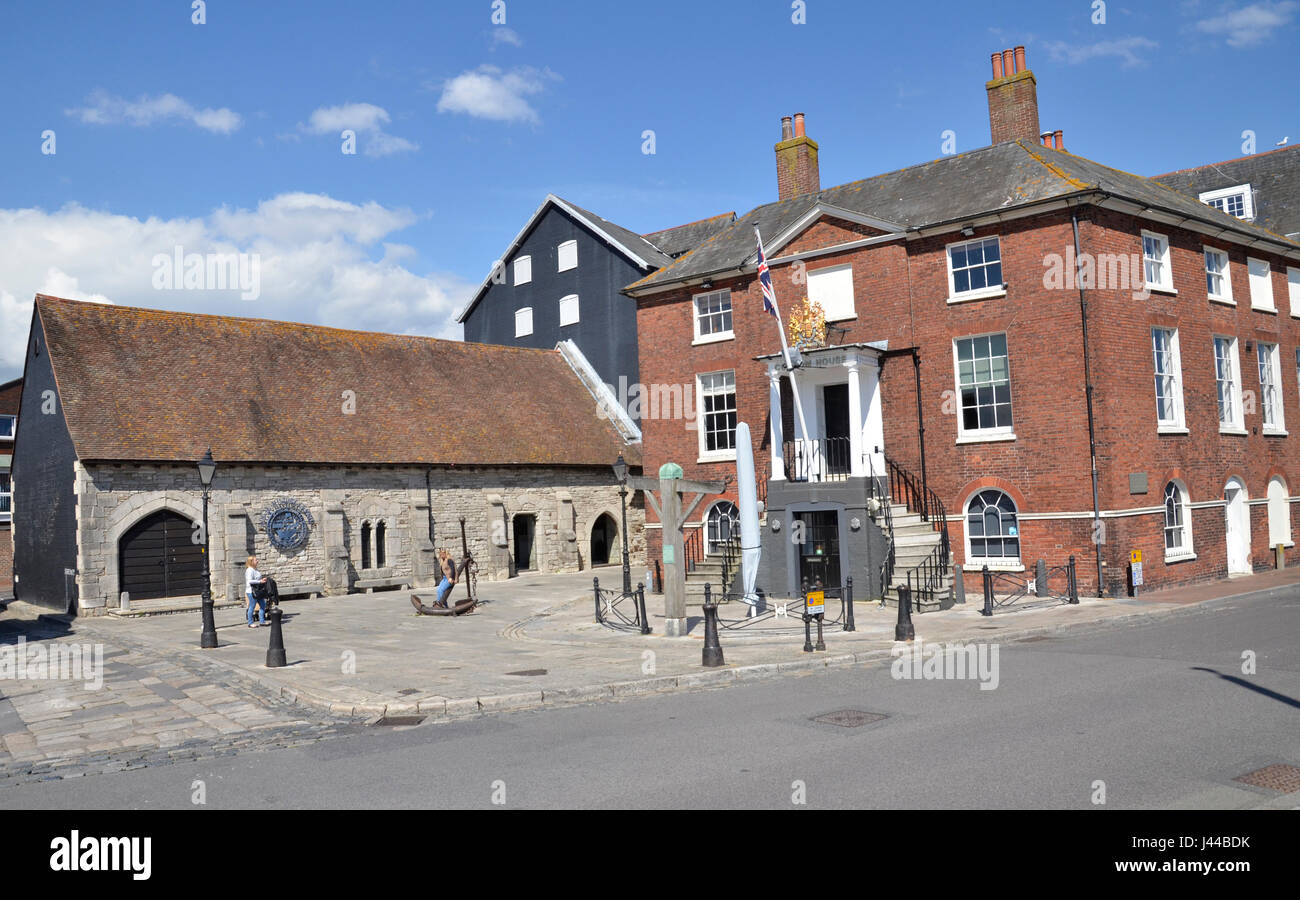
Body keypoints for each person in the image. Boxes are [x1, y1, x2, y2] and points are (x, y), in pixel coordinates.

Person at [245, 555, 269, 627]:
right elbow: (249, 581)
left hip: (258, 591)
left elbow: (257, 579)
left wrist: (262, 580)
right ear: (251, 562)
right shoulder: (249, 570)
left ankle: (262, 621)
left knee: (263, 605)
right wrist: (259, 582)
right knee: (252, 606)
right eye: (256, 560)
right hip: (251, 591)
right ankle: (250, 623)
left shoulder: (255, 569)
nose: (257, 561)